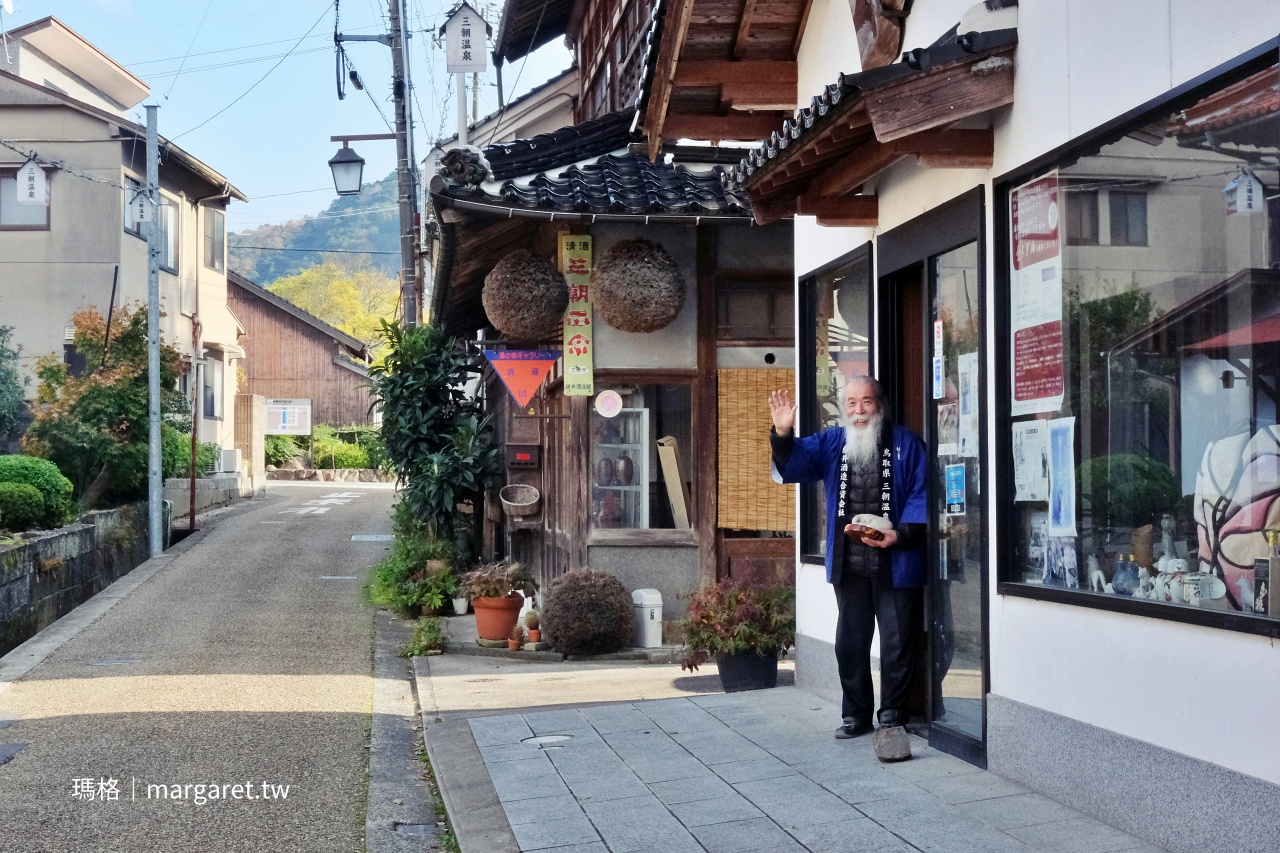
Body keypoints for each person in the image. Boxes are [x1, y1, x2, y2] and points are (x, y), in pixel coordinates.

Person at [768, 377, 927, 740]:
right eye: (852, 403)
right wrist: (781, 433)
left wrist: (899, 535)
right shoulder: (831, 442)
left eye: (866, 402)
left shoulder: (907, 444)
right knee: (850, 643)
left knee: (897, 643)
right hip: (849, 564)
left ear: (879, 405)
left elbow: (923, 494)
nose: (859, 411)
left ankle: (892, 715)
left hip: (896, 561)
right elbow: (794, 464)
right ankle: (855, 714)